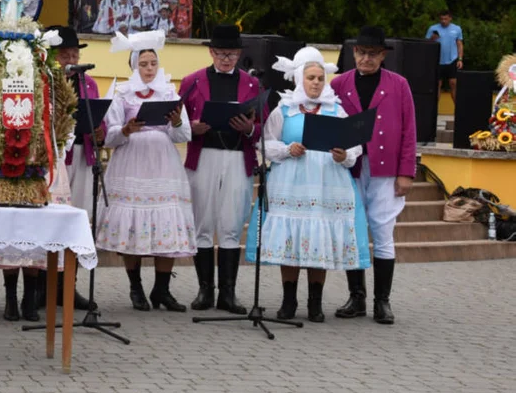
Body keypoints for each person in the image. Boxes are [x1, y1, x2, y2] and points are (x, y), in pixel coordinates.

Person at [246, 47, 371, 322]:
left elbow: (355, 146)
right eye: (311, 77)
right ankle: (288, 301)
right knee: (291, 241)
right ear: (300, 78)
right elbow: (265, 142)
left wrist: (344, 154)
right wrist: (287, 149)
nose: (316, 82)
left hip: (326, 182)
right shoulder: (284, 110)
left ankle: (315, 303)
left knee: (319, 239)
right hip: (290, 183)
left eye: (319, 78)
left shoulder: (336, 110)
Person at [98, 30, 196, 311]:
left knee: (168, 221)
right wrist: (125, 129)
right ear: (133, 66)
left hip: (163, 164)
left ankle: (161, 289)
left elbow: (183, 135)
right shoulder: (122, 94)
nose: (149, 69)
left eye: (153, 63)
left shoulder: (169, 92)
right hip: (132, 162)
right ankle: (136, 287)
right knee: (133, 225)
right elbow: (109, 136)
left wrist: (176, 121)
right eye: (143, 64)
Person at [330, 26, 416, 324]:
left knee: (382, 233)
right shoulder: (338, 83)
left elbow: (409, 131)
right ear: (354, 53)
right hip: (348, 167)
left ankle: (383, 301)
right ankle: (357, 297)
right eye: (362, 52)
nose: (367, 58)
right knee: (352, 232)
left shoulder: (399, 84)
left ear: (382, 56)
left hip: (384, 168)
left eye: (373, 54)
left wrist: (406, 172)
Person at [179, 24, 261, 315]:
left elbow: (261, 125)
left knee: (231, 223)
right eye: (222, 53)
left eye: (232, 53)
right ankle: (205, 291)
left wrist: (250, 127)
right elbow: (176, 123)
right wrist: (192, 128)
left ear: (239, 53)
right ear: (211, 52)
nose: (227, 59)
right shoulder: (191, 81)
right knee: (202, 222)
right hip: (204, 156)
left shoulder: (252, 85)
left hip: (238, 158)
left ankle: (228, 293)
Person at [44, 25, 97, 311]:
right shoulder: (45, 81)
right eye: (65, 55)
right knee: (52, 221)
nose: (71, 60)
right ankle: (42, 288)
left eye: (74, 54)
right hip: (54, 159)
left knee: (78, 221)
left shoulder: (89, 84)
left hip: (82, 155)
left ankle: (69, 287)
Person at [426, 10, 463, 105]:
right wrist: (432, 39)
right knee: (437, 84)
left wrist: (460, 59)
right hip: (438, 60)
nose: (443, 21)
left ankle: (458, 108)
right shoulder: (433, 28)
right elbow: (426, 44)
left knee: (453, 83)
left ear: (450, 18)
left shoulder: (456, 29)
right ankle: (433, 110)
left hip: (452, 60)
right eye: (441, 19)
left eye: (445, 19)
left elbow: (459, 44)